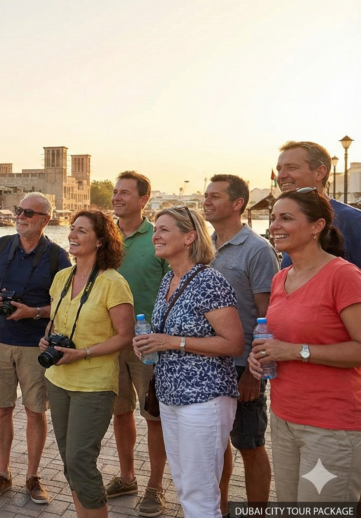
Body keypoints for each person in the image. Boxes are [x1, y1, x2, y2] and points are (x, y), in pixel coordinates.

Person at [248, 189, 361, 503]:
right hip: (284, 419)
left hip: (331, 427)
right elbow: (279, 338)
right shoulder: (281, 278)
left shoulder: (344, 276)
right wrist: (259, 356)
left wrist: (297, 351)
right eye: (273, 218)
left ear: (317, 226)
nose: (274, 225)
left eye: (286, 218)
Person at [134, 206, 243, 518]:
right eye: (155, 229)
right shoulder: (170, 277)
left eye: (164, 229)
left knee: (201, 490)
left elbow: (234, 343)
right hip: (170, 398)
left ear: (189, 237)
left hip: (203, 399)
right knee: (184, 484)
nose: (155, 235)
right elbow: (167, 331)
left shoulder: (209, 281)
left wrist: (173, 342)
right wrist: (147, 340)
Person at [39, 210, 134, 518]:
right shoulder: (62, 277)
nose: (73, 235)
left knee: (80, 460)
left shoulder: (113, 283)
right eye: (72, 229)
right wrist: (46, 340)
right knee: (69, 462)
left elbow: (125, 335)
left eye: (82, 231)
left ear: (101, 241)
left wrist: (85, 353)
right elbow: (54, 323)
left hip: (93, 385)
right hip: (58, 380)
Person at [0, 193, 71, 502]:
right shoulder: (1, 246)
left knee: (35, 412)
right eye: (20, 210)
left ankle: (33, 477)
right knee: (1, 409)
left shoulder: (58, 257)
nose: (21, 216)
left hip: (35, 345)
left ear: (45, 219)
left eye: (29, 213)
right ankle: (3, 473)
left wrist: (33, 312)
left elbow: (64, 305)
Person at [204, 175, 278, 512]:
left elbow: (267, 317)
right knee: (216, 447)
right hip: (208, 364)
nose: (207, 201)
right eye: (206, 195)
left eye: (215, 196)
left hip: (241, 367)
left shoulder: (257, 250)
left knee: (249, 444)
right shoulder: (204, 246)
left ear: (237, 204)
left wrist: (254, 373)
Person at [108, 172, 170, 517]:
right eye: (115, 192)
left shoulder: (157, 239)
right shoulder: (107, 236)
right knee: (120, 413)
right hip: (111, 343)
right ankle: (127, 477)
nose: (117, 197)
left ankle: (155, 487)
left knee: (153, 417)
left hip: (149, 345)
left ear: (143, 199)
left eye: (125, 193)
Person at [276, 141, 361, 268]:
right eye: (279, 169)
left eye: (291, 167)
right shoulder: (287, 223)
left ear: (320, 172)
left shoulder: (353, 221)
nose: (281, 176)